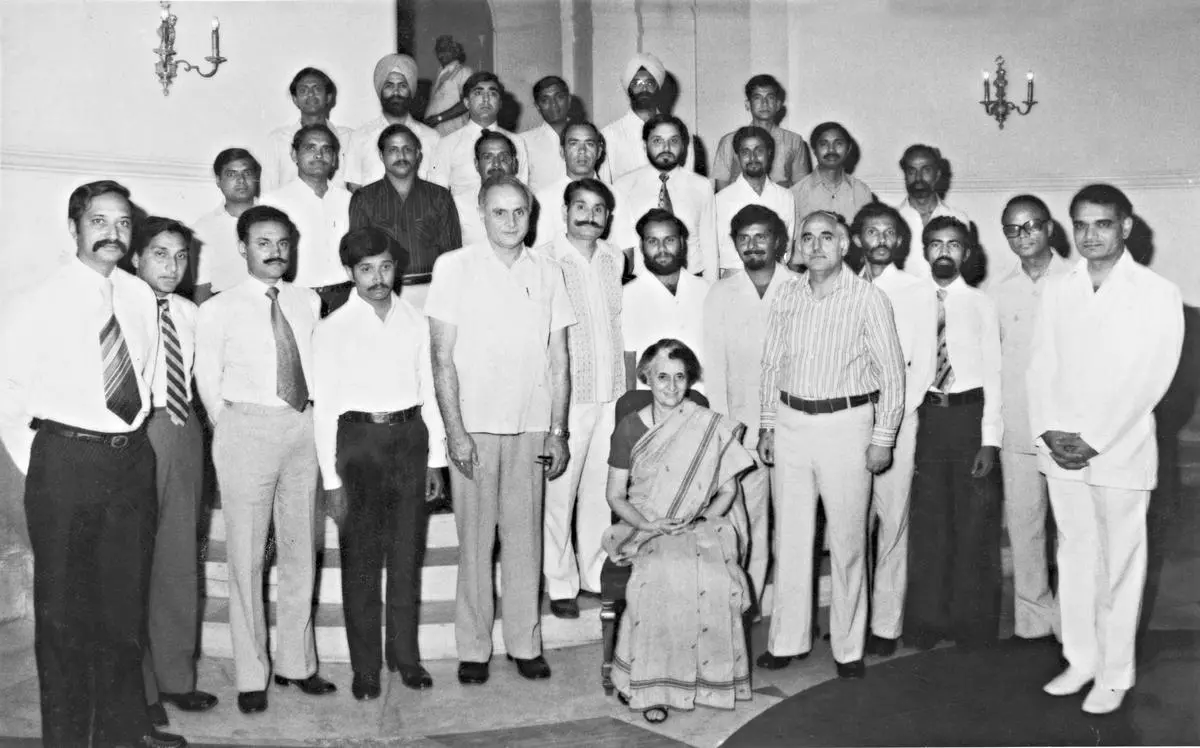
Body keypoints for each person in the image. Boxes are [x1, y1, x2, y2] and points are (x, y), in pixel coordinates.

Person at [0, 180, 186, 747]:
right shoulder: (37, 300)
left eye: (124, 223)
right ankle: (65, 739)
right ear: (76, 228)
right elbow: (7, 395)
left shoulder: (137, 297)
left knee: (124, 612)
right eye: (100, 221)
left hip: (129, 461)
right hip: (64, 462)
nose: (113, 233)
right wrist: (46, 466)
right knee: (63, 620)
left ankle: (121, 733)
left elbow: (150, 384)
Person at [1030, 184, 1183, 715]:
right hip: (1060, 450)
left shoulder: (1156, 291)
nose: (1090, 235)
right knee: (1073, 558)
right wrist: (1049, 430)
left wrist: (1094, 438)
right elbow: (1041, 366)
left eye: (1102, 224)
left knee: (1118, 563)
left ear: (1126, 226)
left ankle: (1115, 674)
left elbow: (1150, 379)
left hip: (1118, 449)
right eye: (1081, 224)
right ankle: (1081, 660)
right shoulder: (1058, 288)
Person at [426, 175, 575, 685]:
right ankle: (473, 647)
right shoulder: (454, 267)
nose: (510, 222)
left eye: (519, 212)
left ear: (531, 215)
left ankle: (524, 642)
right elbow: (441, 359)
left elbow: (559, 359)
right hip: (474, 430)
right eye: (499, 212)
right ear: (481, 213)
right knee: (473, 542)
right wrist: (455, 432)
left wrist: (558, 430)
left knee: (524, 539)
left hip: (531, 427)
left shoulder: (549, 271)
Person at [194, 205, 336, 715]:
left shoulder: (310, 301)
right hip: (245, 428)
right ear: (242, 248)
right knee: (247, 557)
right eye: (263, 243)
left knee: (300, 550)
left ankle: (298, 665)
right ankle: (252, 674)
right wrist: (230, 427)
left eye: (282, 242)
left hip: (302, 427)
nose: (275, 252)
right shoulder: (218, 308)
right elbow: (207, 379)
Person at [757, 210, 906, 678]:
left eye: (827, 237)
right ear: (797, 246)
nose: (816, 245)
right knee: (793, 539)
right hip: (791, 423)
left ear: (845, 245)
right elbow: (771, 364)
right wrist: (767, 426)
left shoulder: (868, 298)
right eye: (808, 237)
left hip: (847, 425)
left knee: (847, 541)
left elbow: (893, 376)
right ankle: (788, 640)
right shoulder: (786, 294)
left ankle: (848, 648)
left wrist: (882, 438)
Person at [312, 227, 447, 700]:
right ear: (350, 273)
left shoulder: (415, 320)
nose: (377, 277)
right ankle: (365, 667)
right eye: (366, 269)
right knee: (362, 563)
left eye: (385, 267)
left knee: (407, 557)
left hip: (410, 438)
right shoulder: (331, 329)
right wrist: (331, 480)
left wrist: (436, 459)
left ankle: (405, 658)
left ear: (397, 268)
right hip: (359, 444)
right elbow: (326, 407)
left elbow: (429, 390)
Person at [605, 339, 755, 724]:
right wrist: (649, 524)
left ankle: (707, 681)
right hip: (644, 525)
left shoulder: (703, 422)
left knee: (713, 577)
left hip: (696, 525)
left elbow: (727, 489)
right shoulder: (629, 427)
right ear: (647, 379)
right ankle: (651, 687)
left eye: (679, 378)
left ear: (689, 381)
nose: (671, 387)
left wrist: (701, 520)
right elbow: (615, 495)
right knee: (659, 577)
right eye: (661, 378)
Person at [129, 218, 219, 728]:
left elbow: (202, 381)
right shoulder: (118, 305)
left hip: (184, 433)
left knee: (180, 558)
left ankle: (176, 678)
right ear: (136, 258)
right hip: (137, 432)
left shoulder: (189, 313)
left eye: (181, 256)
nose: (172, 266)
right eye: (160, 254)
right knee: (135, 562)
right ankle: (138, 688)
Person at [904, 216, 1004, 653]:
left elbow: (995, 374)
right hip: (925, 417)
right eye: (936, 244)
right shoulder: (910, 299)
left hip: (968, 418)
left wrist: (990, 438)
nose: (944, 252)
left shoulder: (981, 303)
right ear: (924, 250)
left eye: (954, 245)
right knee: (929, 524)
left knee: (973, 524)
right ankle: (927, 621)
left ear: (966, 253)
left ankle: (973, 624)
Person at [850, 202, 937, 657]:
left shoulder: (918, 291)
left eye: (888, 232)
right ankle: (853, 619)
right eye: (871, 232)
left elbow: (921, 365)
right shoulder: (843, 287)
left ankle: (885, 624)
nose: (880, 239)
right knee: (850, 523)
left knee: (892, 521)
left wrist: (894, 420)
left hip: (898, 418)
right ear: (857, 239)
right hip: (847, 420)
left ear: (900, 241)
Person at [537, 178, 625, 617]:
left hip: (611, 392)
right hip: (567, 395)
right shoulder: (546, 260)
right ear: (565, 209)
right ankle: (559, 583)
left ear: (608, 216)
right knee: (559, 491)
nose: (589, 215)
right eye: (581, 206)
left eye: (598, 208)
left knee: (598, 491)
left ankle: (593, 574)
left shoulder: (616, 258)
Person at [703, 204, 798, 607]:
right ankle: (751, 603)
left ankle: (792, 612)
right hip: (741, 429)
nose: (753, 245)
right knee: (750, 524)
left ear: (778, 241)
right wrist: (727, 432)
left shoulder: (800, 287)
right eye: (744, 238)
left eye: (762, 236)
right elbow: (715, 366)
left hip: (795, 426)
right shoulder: (722, 293)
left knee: (794, 525)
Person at [988, 194, 1068, 645]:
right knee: (1025, 527)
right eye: (1013, 229)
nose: (1024, 235)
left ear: (1049, 228)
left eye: (1031, 225)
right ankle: (1033, 621)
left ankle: (1071, 619)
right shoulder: (999, 292)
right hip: (1018, 428)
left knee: (1074, 531)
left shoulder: (1077, 281)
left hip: (1069, 431)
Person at [348, 123, 461, 310]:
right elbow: (359, 258)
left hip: (434, 292)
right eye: (393, 150)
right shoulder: (364, 199)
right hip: (384, 294)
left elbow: (453, 254)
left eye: (407, 149)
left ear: (418, 155)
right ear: (381, 156)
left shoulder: (440, 196)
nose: (401, 156)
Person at [259, 123, 353, 316]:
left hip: (345, 296)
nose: (319, 155)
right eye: (310, 148)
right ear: (294, 155)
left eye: (326, 149)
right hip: (298, 297)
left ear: (335, 159)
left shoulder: (349, 200)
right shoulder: (274, 201)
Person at [614, 115, 716, 279]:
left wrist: (711, 292)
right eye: (657, 141)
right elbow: (620, 248)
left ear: (683, 145)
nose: (666, 147)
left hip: (691, 281)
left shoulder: (702, 186)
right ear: (644, 145)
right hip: (643, 284)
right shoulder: (623, 186)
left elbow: (709, 245)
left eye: (673, 141)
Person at [622, 209, 710, 387]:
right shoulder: (627, 295)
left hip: (701, 399)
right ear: (641, 247)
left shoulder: (705, 289)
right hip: (650, 403)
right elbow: (628, 363)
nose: (662, 249)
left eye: (669, 240)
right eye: (653, 241)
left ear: (683, 243)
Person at [533, 121, 635, 259]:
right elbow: (538, 258)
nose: (582, 150)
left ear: (599, 152)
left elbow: (627, 257)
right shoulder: (542, 200)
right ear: (562, 151)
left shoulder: (616, 196)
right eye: (574, 143)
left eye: (589, 144)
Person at [344, 54, 440, 191]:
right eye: (389, 85)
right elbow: (354, 189)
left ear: (411, 91)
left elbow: (438, 192)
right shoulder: (360, 136)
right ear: (380, 90)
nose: (396, 92)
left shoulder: (432, 138)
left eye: (402, 86)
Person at [427, 71, 529, 198]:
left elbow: (522, 192)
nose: (486, 99)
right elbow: (436, 195)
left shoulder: (517, 142)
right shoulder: (447, 144)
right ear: (466, 103)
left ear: (500, 103)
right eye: (478, 93)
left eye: (492, 93)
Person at [598, 53, 697, 183]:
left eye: (649, 83)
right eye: (637, 83)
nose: (644, 88)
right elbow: (604, 188)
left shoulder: (680, 133)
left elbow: (689, 184)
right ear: (629, 88)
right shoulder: (609, 135)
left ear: (658, 87)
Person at [713, 126, 795, 279]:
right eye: (745, 152)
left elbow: (787, 249)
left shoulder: (785, 197)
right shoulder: (721, 200)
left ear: (769, 154)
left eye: (759, 150)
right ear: (738, 156)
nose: (752, 157)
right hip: (735, 279)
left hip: (775, 277)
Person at [711, 74, 812, 191]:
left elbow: (801, 187)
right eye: (757, 98)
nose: (764, 103)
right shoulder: (728, 141)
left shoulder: (794, 141)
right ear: (748, 104)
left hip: (781, 205)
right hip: (740, 206)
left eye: (770, 97)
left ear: (778, 104)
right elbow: (721, 187)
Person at [261, 68, 354, 193]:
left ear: (328, 97)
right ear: (295, 99)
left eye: (317, 89)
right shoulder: (278, 140)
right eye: (303, 90)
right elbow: (268, 188)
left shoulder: (349, 138)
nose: (310, 94)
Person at [894, 144, 971, 279]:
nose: (918, 178)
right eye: (912, 171)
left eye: (926, 170)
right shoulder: (892, 220)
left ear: (937, 175)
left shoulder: (958, 218)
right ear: (905, 176)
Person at [193, 148, 260, 303]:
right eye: (231, 174)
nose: (241, 180)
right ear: (218, 180)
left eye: (247, 173)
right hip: (225, 308)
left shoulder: (276, 218)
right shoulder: (202, 229)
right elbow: (202, 287)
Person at [790, 122, 874, 228]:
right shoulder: (796, 194)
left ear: (848, 149)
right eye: (824, 144)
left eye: (838, 144)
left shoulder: (862, 191)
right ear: (815, 150)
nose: (831, 150)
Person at [453, 130, 519, 249]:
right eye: (488, 157)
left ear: (514, 164)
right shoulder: (457, 205)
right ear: (476, 164)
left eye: (503, 157)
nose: (496, 164)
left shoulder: (529, 202)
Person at [520, 75, 571, 193]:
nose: (553, 104)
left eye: (559, 97)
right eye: (545, 100)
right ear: (537, 106)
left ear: (569, 100)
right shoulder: (523, 141)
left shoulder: (586, 137)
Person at [425, 35, 473, 136]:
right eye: (438, 50)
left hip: (454, 134)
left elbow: (467, 103)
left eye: (445, 49)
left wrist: (439, 118)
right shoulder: (440, 73)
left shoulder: (464, 72)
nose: (441, 53)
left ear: (455, 51)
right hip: (435, 134)